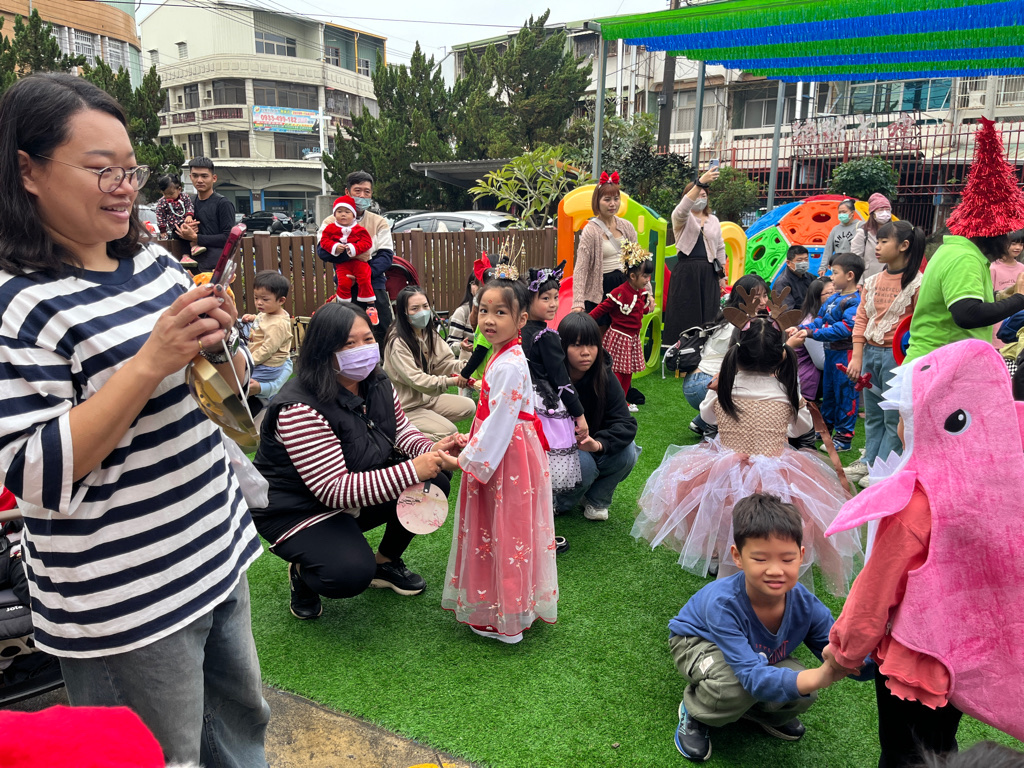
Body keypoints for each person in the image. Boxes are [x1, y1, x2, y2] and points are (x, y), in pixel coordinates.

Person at [0, 74, 268, 765]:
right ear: (27, 171)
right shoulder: (16, 303)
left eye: (130, 170)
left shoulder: (151, 262)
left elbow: (215, 395)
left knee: (241, 733)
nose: (123, 187)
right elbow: (33, 473)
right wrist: (150, 361)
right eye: (101, 170)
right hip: (122, 594)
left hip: (212, 545)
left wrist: (221, 347)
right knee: (158, 758)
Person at [823, 340, 1024, 765]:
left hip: (915, 656)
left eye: (906, 414)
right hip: (967, 654)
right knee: (941, 744)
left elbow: (876, 591)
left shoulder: (920, 502)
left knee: (903, 752)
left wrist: (844, 651)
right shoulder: (1006, 486)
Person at [252, 302, 462, 620]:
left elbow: (400, 430)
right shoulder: (299, 408)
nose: (363, 350)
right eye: (349, 343)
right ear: (323, 349)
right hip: (297, 508)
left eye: (367, 339)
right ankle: (302, 573)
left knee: (434, 481)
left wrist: (432, 451)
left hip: (352, 486)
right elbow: (333, 490)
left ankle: (385, 563)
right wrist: (412, 469)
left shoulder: (377, 381)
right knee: (348, 574)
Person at [633, 310, 861, 597]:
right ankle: (765, 579)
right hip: (776, 472)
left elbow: (707, 417)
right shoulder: (786, 390)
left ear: (737, 353)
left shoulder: (725, 385)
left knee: (724, 518)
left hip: (724, 470)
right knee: (768, 528)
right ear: (780, 356)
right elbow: (800, 429)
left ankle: (724, 571)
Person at [669, 494, 860, 763]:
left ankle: (756, 712)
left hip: (757, 653)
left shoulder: (805, 604)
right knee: (734, 687)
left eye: (787, 559)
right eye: (760, 559)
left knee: (803, 692)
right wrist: (823, 674)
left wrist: (872, 659)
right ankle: (696, 712)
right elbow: (752, 677)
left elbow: (845, 654)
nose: (775, 570)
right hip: (698, 642)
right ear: (738, 557)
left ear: (801, 556)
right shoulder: (723, 603)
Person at [441, 270, 558, 644]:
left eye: (500, 312)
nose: (489, 320)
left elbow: (500, 423)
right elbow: (494, 417)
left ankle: (506, 619)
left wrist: (464, 460)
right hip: (505, 451)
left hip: (505, 459)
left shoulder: (507, 363)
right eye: (483, 310)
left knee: (505, 531)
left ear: (521, 319)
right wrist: (471, 439)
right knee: (504, 530)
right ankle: (506, 607)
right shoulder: (504, 355)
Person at [905, 120, 1024, 362]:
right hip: (942, 366)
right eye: (1006, 233)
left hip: (941, 363)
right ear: (992, 232)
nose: (1008, 240)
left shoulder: (954, 251)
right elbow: (967, 314)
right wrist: (1019, 299)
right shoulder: (964, 258)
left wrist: (1001, 296)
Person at [842, 221, 925, 488]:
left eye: (883, 242)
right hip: (870, 353)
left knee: (893, 416)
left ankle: (885, 466)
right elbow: (861, 319)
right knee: (874, 413)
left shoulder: (918, 283)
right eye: (877, 241)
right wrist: (857, 356)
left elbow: (918, 326)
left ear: (904, 246)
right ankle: (869, 461)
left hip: (896, 357)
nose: (877, 247)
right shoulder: (872, 281)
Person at [554, 313, 640, 521]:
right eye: (576, 345)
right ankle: (560, 502)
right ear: (562, 347)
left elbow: (626, 423)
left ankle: (596, 499)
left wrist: (599, 445)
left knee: (628, 452)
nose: (586, 352)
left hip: (592, 443)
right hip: (559, 448)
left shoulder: (604, 375)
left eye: (592, 344)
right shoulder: (550, 377)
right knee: (584, 466)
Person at [789, 251, 864, 452]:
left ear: (850, 275)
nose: (831, 277)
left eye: (835, 273)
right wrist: (801, 328)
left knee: (846, 394)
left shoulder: (855, 301)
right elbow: (819, 321)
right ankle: (825, 429)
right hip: (830, 353)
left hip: (845, 354)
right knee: (829, 394)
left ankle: (844, 437)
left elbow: (846, 328)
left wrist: (813, 333)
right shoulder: (834, 299)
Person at [523, 263, 585, 494]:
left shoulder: (518, 331)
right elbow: (562, 380)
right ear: (529, 300)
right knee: (546, 461)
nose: (553, 304)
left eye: (556, 297)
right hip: (544, 404)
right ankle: (546, 508)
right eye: (545, 298)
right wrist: (579, 414)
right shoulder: (546, 336)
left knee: (527, 462)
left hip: (522, 400)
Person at [382, 286, 474, 441]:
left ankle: (425, 423)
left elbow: (443, 363)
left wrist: (467, 367)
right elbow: (416, 380)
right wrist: (453, 381)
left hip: (427, 398)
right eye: (415, 308)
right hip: (406, 406)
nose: (422, 312)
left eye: (425, 306)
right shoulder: (397, 341)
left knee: (468, 406)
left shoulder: (428, 332)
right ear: (404, 312)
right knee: (449, 432)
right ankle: (398, 438)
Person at [683, 275, 768, 437]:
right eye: (757, 297)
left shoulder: (733, 316)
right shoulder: (741, 324)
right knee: (751, 388)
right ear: (742, 298)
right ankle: (713, 429)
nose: (763, 302)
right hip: (705, 385)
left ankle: (702, 422)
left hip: (696, 382)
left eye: (765, 295)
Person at [318, 170, 395, 343]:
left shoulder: (379, 222)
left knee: (382, 332)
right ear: (347, 192)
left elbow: (385, 255)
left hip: (374, 283)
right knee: (347, 333)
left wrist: (364, 273)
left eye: (367, 192)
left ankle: (383, 360)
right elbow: (323, 251)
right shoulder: (330, 222)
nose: (362, 196)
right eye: (357, 191)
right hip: (345, 283)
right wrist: (353, 258)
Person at [588, 243, 655, 408]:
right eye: (645, 276)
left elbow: (637, 311)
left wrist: (647, 308)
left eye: (648, 276)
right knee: (617, 372)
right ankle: (611, 402)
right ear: (632, 276)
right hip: (619, 337)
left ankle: (621, 402)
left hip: (632, 338)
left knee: (628, 372)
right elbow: (602, 308)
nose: (648, 280)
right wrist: (586, 319)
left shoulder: (641, 292)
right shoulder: (619, 292)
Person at [665, 167, 727, 341]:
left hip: (709, 273)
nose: (701, 197)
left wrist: (722, 276)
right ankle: (682, 348)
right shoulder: (682, 218)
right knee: (685, 311)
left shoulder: (714, 220)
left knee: (709, 313)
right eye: (698, 194)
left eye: (704, 194)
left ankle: (705, 347)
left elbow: (720, 248)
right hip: (687, 272)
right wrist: (700, 183)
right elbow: (680, 210)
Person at [570, 171, 638, 314]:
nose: (612, 204)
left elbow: (637, 262)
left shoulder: (627, 226)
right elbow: (581, 268)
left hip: (625, 288)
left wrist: (646, 292)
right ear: (597, 202)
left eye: (616, 199)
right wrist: (578, 302)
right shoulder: (591, 230)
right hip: (600, 291)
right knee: (600, 328)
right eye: (607, 199)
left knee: (627, 327)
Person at [240, 270, 294, 414]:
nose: (259, 302)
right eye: (256, 297)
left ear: (281, 301)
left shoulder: (277, 324)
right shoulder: (269, 312)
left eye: (264, 299)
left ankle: (263, 399)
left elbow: (268, 349)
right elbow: (263, 320)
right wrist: (253, 317)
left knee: (242, 384)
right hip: (261, 361)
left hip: (266, 365)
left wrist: (248, 361)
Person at [175, 156, 235, 272]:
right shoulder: (189, 202)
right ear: (190, 177)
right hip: (191, 266)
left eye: (204, 176)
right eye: (195, 176)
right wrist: (185, 229)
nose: (199, 180)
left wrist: (195, 237)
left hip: (215, 267)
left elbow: (228, 238)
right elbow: (175, 229)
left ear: (214, 178)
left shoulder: (223, 204)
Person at [320, 195, 376, 310]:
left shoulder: (359, 229)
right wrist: (335, 247)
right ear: (334, 214)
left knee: (365, 278)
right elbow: (324, 241)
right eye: (339, 211)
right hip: (342, 264)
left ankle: (370, 305)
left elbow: (367, 242)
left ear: (353, 215)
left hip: (359, 262)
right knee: (343, 282)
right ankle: (343, 305)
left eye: (347, 212)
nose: (343, 214)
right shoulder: (330, 228)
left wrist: (354, 248)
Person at [787, 277, 832, 403]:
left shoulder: (828, 318)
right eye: (829, 293)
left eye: (836, 292)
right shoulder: (809, 324)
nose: (834, 296)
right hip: (810, 381)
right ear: (816, 298)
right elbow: (821, 362)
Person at [153, 173, 204, 261]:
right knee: (182, 237)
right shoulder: (162, 202)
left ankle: (194, 246)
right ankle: (186, 256)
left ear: (179, 189)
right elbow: (160, 215)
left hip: (188, 222)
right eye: (165, 194)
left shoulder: (184, 197)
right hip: (175, 227)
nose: (168, 196)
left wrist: (189, 215)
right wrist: (163, 230)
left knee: (195, 227)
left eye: (171, 193)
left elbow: (189, 206)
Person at [850, 193, 891, 281]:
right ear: (873, 213)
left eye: (887, 210)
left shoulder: (894, 232)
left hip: (891, 279)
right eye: (881, 210)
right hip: (869, 279)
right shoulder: (863, 233)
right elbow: (856, 259)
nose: (885, 213)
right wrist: (859, 281)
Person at [821, 198, 861, 274]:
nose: (841, 214)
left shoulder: (860, 226)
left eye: (844, 212)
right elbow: (828, 250)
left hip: (854, 267)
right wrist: (823, 267)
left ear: (852, 212)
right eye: (840, 212)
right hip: (839, 267)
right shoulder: (835, 229)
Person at [773, 245, 814, 311]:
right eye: (799, 260)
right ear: (788, 263)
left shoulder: (810, 277)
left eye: (806, 260)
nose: (803, 263)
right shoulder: (782, 282)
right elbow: (788, 310)